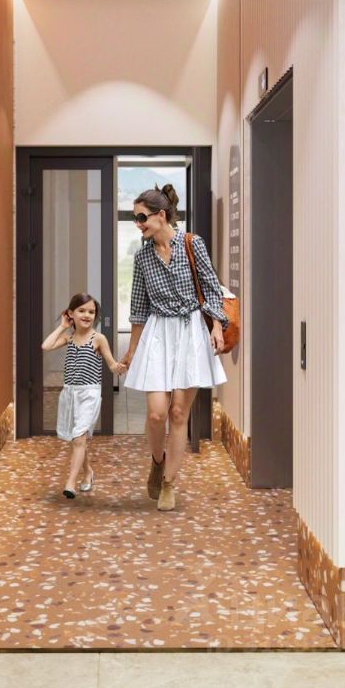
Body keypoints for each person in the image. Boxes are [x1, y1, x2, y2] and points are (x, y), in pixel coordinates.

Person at [120, 184, 227, 512]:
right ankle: (157, 461)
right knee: (156, 414)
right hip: (158, 333)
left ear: (161, 215)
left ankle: (168, 483)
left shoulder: (193, 244)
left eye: (142, 217)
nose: (138, 224)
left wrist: (217, 327)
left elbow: (212, 288)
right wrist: (131, 351)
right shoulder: (142, 257)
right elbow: (138, 307)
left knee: (179, 412)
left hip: (190, 331)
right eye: (135, 218)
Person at [42, 293, 124, 499]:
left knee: (79, 437)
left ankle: (70, 483)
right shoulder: (68, 338)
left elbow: (111, 365)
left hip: (89, 394)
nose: (87, 315)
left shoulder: (98, 339)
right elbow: (46, 346)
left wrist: (120, 367)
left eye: (91, 312)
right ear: (71, 313)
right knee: (77, 439)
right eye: (81, 311)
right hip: (70, 393)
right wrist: (63, 326)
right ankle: (88, 472)